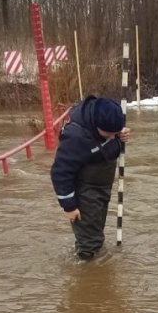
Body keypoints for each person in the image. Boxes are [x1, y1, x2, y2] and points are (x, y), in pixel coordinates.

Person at [51, 95, 130, 260]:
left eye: (115, 133)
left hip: (102, 189)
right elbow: (60, 173)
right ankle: (86, 270)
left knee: (95, 234)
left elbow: (109, 144)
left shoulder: (107, 126)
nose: (112, 137)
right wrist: (69, 207)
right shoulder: (75, 137)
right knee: (90, 243)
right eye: (109, 134)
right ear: (96, 125)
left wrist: (120, 137)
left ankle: (88, 260)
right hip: (85, 193)